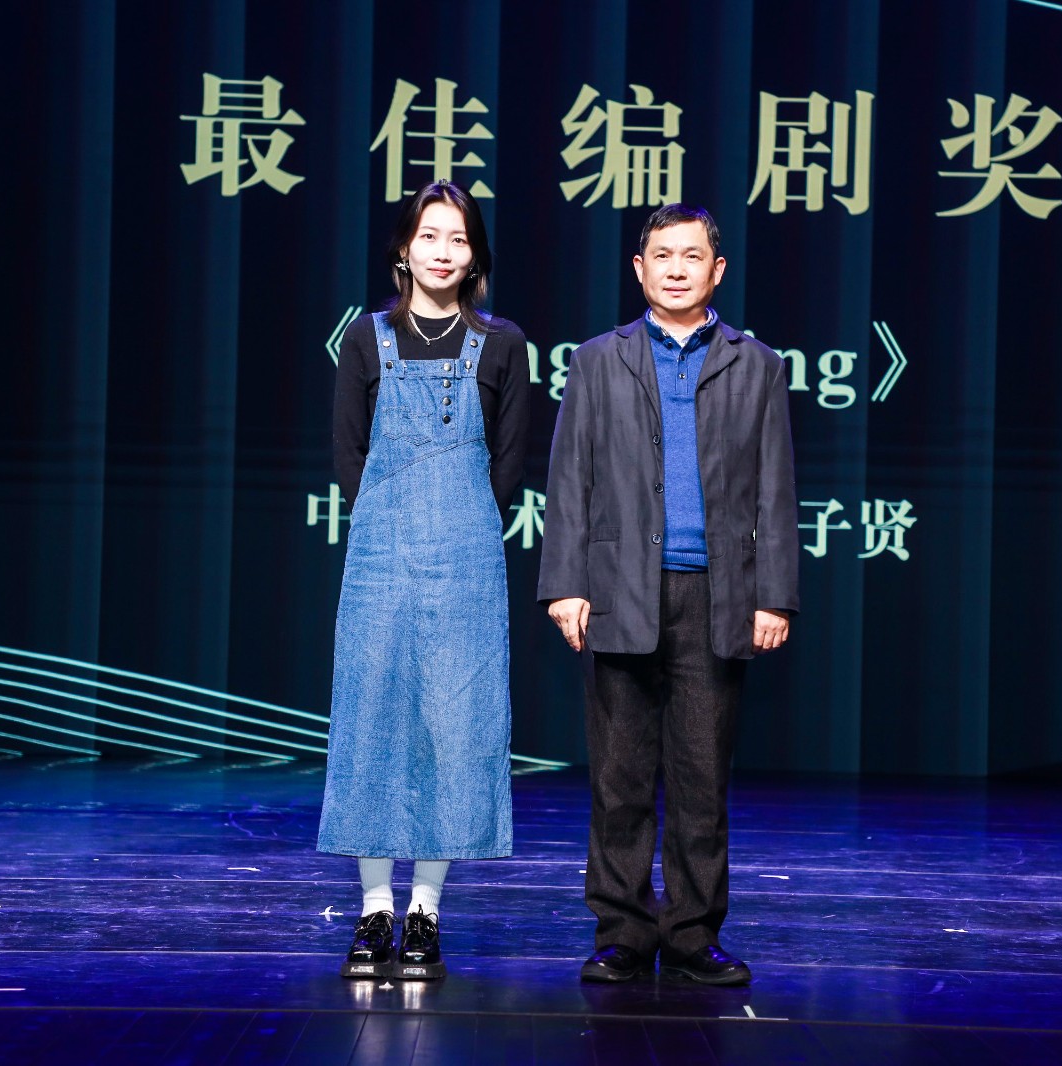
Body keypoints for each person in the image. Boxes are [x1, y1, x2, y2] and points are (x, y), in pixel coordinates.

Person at [538, 203, 799, 986]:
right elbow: (569, 480)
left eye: (692, 256)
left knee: (699, 779)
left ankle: (692, 933)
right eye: (662, 254)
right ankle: (622, 930)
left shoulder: (757, 364)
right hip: (619, 591)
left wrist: (774, 596)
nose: (677, 268)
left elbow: (776, 489)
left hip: (719, 595)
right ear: (639, 268)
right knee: (619, 779)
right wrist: (565, 585)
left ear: (717, 271)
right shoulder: (598, 360)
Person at [318, 180, 528, 981]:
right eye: (430, 236)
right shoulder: (366, 337)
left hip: (467, 554)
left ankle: (425, 913)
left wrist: (457, 520)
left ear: (475, 257)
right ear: (403, 249)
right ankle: (374, 908)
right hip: (381, 552)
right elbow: (349, 452)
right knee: (371, 716)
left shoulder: (501, 343)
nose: (444, 252)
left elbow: (508, 462)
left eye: (459, 239)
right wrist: (392, 516)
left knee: (454, 724)